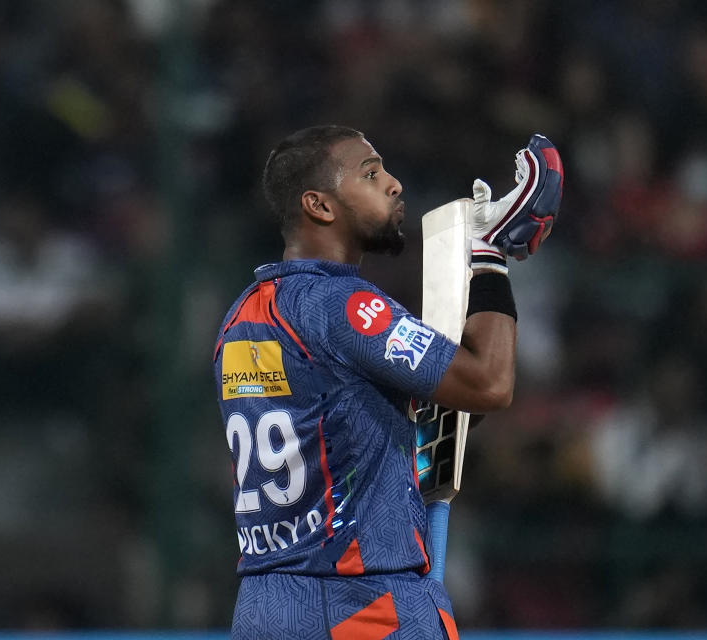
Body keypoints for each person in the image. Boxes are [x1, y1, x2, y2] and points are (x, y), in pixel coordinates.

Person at [212, 125, 562, 639]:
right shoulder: (345, 306)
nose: (394, 184)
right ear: (320, 205)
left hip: (265, 608)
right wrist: (489, 255)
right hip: (361, 602)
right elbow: (490, 382)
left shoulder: (238, 319)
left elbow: (347, 432)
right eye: (370, 174)